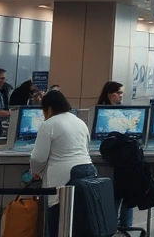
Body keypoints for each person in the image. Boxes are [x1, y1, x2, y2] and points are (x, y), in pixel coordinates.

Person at [29, 90, 95, 237]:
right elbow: (86, 147)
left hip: (63, 178)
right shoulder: (79, 122)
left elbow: (38, 158)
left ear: (48, 108)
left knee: (58, 223)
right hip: (88, 172)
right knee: (80, 221)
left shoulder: (49, 124)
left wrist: (35, 172)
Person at [96, 80, 134, 226]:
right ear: (108, 94)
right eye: (117, 93)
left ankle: (122, 227)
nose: (120, 96)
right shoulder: (101, 113)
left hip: (119, 156)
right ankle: (115, 226)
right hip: (113, 157)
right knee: (117, 193)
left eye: (121, 92)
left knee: (123, 192)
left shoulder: (121, 112)